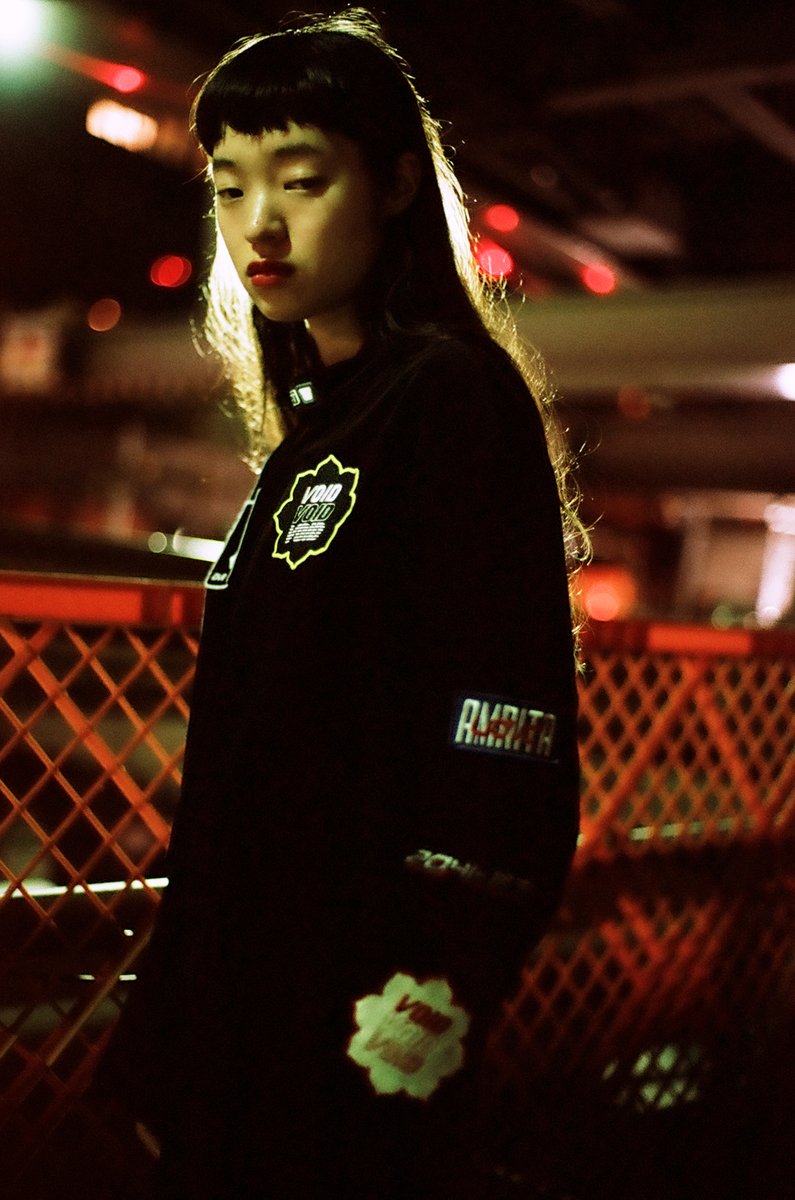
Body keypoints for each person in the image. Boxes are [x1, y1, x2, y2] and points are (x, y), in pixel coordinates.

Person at [94, 9, 584, 1198]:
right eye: (230, 188)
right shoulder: (321, 426)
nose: (258, 224)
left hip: (352, 1018)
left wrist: (431, 988)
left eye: (302, 181)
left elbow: (505, 721)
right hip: (244, 995)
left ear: (399, 185)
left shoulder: (447, 395)